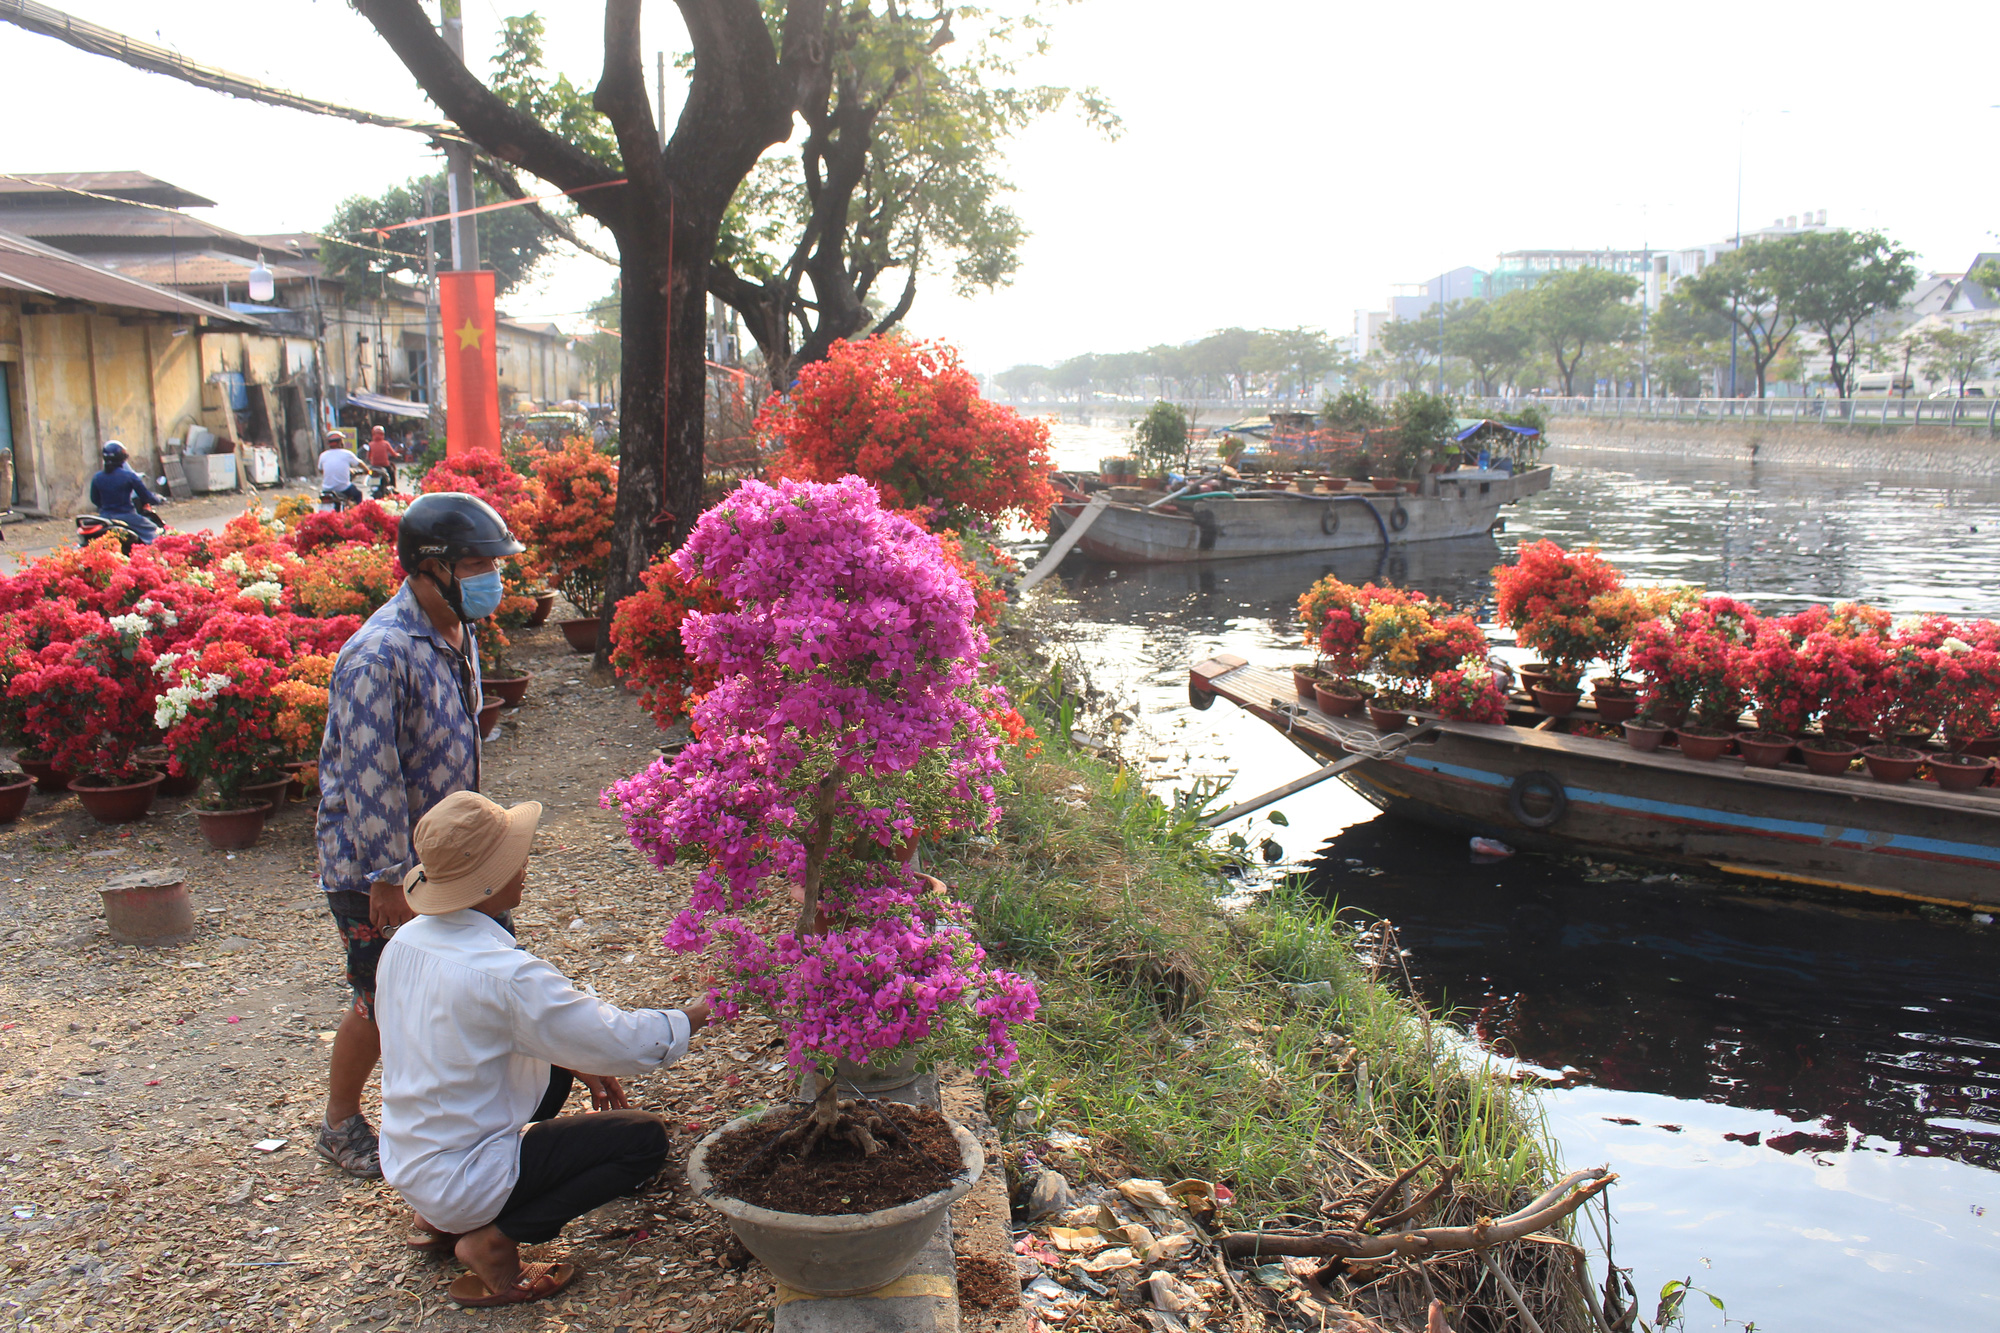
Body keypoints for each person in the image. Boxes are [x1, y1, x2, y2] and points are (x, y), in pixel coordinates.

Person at [377, 791, 710, 1308]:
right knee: (641, 1139)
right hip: (466, 1179)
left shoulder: (405, 942)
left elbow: (478, 1034)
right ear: (487, 879)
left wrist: (573, 1059)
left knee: (557, 1065)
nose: (525, 864)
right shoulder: (502, 974)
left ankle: (435, 1221)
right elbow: (621, 1039)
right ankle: (493, 1240)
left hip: (410, 1159)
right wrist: (702, 1010)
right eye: (515, 856)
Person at [313, 493, 522, 1178]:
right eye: (476, 564)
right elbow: (368, 772)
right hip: (382, 868)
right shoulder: (377, 655)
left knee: (463, 977)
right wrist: (386, 878)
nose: (491, 576)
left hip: (449, 856)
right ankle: (340, 1123)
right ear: (429, 569)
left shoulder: (458, 629)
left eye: (494, 562)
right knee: (382, 997)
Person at [88, 442, 162, 541]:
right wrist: (157, 499)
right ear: (123, 458)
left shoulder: (97, 477)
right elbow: (146, 496)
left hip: (104, 517)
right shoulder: (129, 476)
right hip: (127, 517)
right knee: (156, 532)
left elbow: (94, 499)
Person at [320, 430, 366, 505]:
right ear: (340, 442)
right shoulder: (346, 454)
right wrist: (366, 470)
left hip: (326, 489)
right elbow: (359, 463)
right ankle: (358, 514)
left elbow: (321, 470)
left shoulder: (323, 455)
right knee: (358, 495)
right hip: (343, 489)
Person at [366, 425, 403, 499]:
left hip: (374, 466)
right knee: (391, 472)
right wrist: (397, 455)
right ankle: (394, 487)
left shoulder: (370, 444)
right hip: (385, 465)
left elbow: (368, 457)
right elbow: (393, 454)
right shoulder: (385, 444)